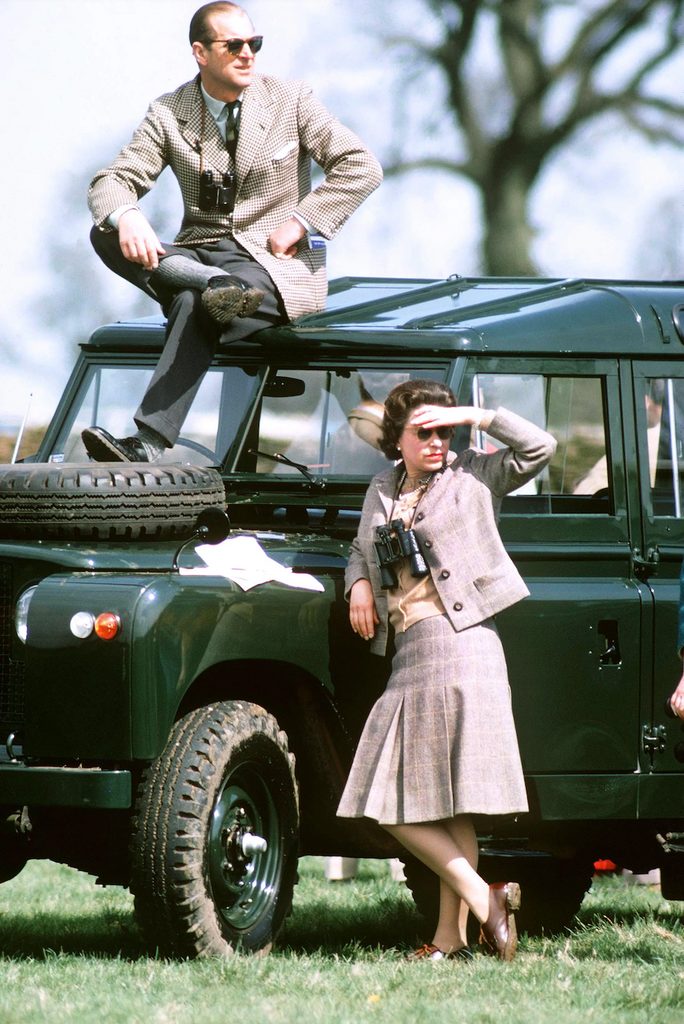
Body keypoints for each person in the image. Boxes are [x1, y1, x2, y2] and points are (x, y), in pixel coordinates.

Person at [83, 1, 382, 463]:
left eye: (254, 43)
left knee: (193, 304)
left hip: (273, 266)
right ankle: (208, 283)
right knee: (105, 229)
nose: (248, 54)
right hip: (199, 255)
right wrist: (129, 215)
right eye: (234, 45)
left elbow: (361, 165)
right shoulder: (168, 112)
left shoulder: (292, 100)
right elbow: (111, 181)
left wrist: (301, 222)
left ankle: (145, 442)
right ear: (200, 53)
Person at [336, 379, 557, 961]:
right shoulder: (381, 488)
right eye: (423, 432)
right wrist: (357, 580)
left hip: (463, 646)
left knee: (383, 803)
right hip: (411, 648)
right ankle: (449, 938)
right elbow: (362, 548)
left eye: (444, 430)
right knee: (442, 804)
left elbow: (541, 448)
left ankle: (485, 903)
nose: (437, 441)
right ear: (397, 440)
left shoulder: (476, 475)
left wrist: (473, 415)